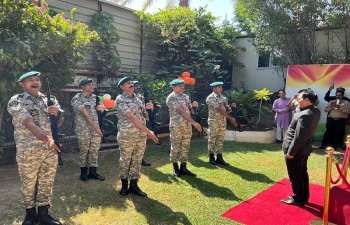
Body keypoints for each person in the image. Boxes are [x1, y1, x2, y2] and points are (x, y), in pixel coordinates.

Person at [7, 71, 62, 225]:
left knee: (46, 182)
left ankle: (44, 214)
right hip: (28, 151)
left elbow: (58, 123)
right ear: (22, 84)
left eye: (37, 79)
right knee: (28, 184)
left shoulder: (49, 99)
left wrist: (57, 114)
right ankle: (30, 215)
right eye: (30, 80)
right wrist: (48, 140)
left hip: (49, 150)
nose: (34, 82)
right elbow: (28, 123)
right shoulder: (16, 101)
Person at [115, 77, 159, 197]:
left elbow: (143, 114)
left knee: (137, 159)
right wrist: (149, 132)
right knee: (125, 160)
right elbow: (131, 117)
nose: (131, 84)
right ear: (122, 87)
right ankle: (124, 186)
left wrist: (150, 111)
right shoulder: (120, 99)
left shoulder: (139, 97)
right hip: (127, 134)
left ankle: (134, 185)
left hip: (140, 134)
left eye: (131, 83)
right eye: (128, 83)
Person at [281, 91, 321, 206]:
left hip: (296, 151)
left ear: (307, 100)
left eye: (298, 99)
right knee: (302, 173)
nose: (296, 101)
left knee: (295, 175)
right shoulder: (314, 110)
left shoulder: (305, 115)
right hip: (304, 149)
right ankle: (303, 197)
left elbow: (299, 136)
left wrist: (291, 152)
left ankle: (298, 198)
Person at [71, 78, 105, 182]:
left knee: (94, 150)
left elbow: (103, 108)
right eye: (89, 84)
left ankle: (93, 172)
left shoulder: (96, 98)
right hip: (83, 129)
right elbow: (85, 114)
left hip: (95, 129)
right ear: (82, 87)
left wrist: (101, 107)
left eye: (92, 84)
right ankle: (83, 173)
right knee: (84, 151)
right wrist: (96, 128)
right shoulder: (77, 98)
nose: (91, 86)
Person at [166, 79, 202, 177]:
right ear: (173, 87)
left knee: (185, 146)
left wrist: (194, 114)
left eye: (182, 85)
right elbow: (181, 111)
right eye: (179, 86)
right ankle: (175, 168)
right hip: (176, 126)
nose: (182, 87)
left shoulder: (186, 97)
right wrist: (194, 123)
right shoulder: (171, 98)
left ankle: (183, 167)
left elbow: (190, 109)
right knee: (176, 147)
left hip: (187, 125)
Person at [206, 81, 238, 166]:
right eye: (220, 87)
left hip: (222, 121)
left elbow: (227, 110)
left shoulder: (223, 98)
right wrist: (231, 118)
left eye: (221, 87)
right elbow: (219, 109)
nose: (221, 88)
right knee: (212, 139)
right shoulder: (211, 98)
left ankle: (219, 157)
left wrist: (232, 107)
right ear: (214, 88)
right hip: (214, 121)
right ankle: (211, 157)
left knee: (220, 139)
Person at [133, 80, 153, 166]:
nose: (138, 87)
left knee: (141, 143)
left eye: (138, 86)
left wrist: (147, 120)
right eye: (136, 86)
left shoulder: (140, 97)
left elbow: (144, 109)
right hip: (132, 124)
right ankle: (132, 160)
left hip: (142, 122)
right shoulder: (125, 97)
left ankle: (140, 159)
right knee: (133, 143)